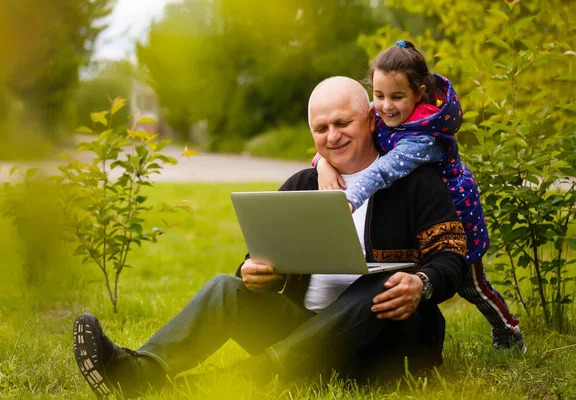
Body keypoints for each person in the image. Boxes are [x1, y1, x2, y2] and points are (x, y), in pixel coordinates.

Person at [73, 76, 468, 399]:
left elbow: (453, 256)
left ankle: (252, 376)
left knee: (382, 280)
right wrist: (254, 271)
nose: (332, 136)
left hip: (387, 347)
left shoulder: (415, 181)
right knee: (225, 287)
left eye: (342, 123)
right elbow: (260, 257)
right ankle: (139, 373)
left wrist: (421, 282)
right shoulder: (303, 184)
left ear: (369, 118)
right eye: (321, 128)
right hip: (303, 337)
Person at [312, 40, 525, 352]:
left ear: (419, 93)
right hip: (418, 218)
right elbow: (345, 139)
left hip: (454, 216)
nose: (386, 106)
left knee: (473, 286)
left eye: (397, 97)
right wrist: (322, 164)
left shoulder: (423, 137)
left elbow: (384, 170)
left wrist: (350, 197)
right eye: (379, 96)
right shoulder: (383, 115)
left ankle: (507, 329)